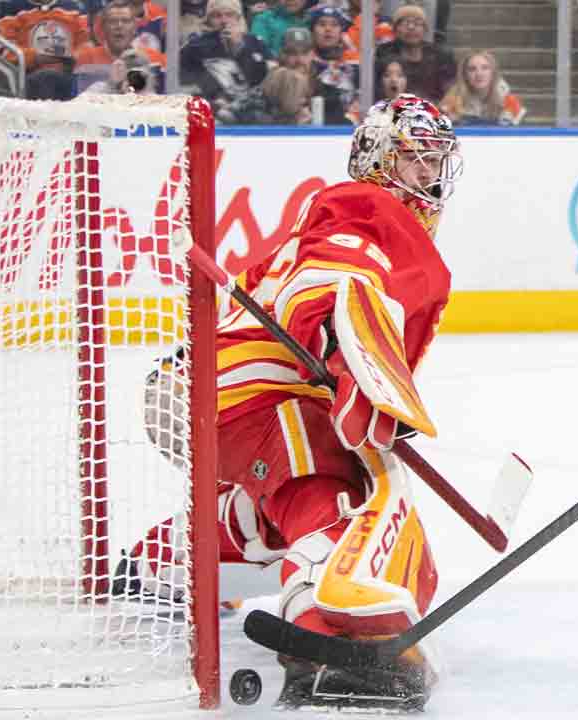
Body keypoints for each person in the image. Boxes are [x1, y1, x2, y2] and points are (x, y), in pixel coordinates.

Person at [120, 95, 463, 709]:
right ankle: (321, 645)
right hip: (250, 387)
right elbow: (335, 278)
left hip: (203, 387)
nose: (429, 178)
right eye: (416, 161)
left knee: (288, 498)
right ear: (379, 162)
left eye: (436, 163)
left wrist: (357, 372)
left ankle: (161, 560)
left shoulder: (362, 215)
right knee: (345, 500)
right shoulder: (368, 205)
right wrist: (353, 364)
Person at [180, 0, 269, 124]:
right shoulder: (195, 47)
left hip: (251, 107)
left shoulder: (254, 42)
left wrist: (239, 48)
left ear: (238, 17)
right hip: (214, 109)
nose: (224, 20)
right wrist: (215, 100)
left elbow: (262, 78)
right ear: (209, 19)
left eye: (229, 15)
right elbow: (186, 83)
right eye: (217, 16)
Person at [75, 0, 166, 93]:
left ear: (135, 28)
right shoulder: (86, 58)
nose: (119, 26)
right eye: (113, 21)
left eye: (125, 21)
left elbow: (166, 100)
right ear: (103, 27)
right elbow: (81, 100)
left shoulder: (155, 59)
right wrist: (111, 85)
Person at [376, 4, 455, 103]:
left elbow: (449, 90)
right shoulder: (384, 53)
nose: (411, 27)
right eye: (405, 23)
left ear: (425, 29)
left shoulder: (441, 55)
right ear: (395, 30)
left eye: (417, 23)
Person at [439, 50, 525, 125]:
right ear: (465, 75)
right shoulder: (452, 99)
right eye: (472, 69)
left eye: (485, 68)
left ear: (493, 72)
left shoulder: (509, 100)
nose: (479, 74)